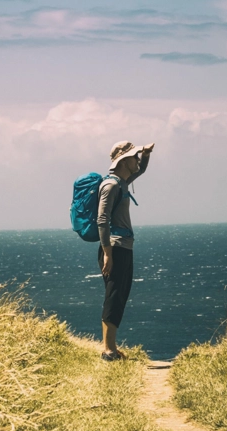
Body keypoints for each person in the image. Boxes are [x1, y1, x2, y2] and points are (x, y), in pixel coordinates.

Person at [97, 140, 154, 361]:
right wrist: (108, 253)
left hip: (123, 247)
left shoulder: (122, 182)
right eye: (134, 156)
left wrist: (146, 153)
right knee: (113, 296)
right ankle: (108, 350)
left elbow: (143, 169)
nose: (137, 160)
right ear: (123, 160)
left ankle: (110, 347)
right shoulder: (111, 185)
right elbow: (102, 220)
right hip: (115, 249)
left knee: (119, 296)